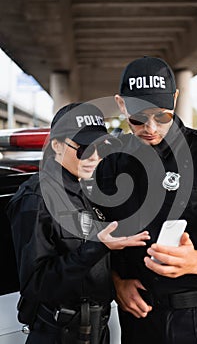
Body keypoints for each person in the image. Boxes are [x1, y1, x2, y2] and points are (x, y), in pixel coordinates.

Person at [93, 57, 197, 344]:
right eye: (138, 118)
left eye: (162, 116)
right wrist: (116, 282)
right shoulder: (111, 164)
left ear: (175, 100)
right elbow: (94, 237)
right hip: (141, 323)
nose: (151, 128)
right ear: (121, 105)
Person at [7, 102, 150, 344]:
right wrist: (98, 246)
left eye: (99, 147)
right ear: (56, 146)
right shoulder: (37, 199)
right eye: (84, 149)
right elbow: (37, 285)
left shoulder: (90, 189)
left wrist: (119, 281)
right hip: (59, 333)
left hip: (98, 330)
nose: (94, 157)